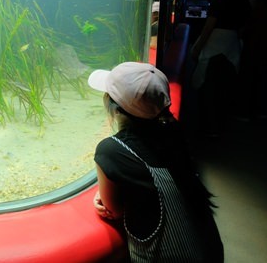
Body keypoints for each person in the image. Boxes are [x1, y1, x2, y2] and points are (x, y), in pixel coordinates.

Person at [89, 62, 223, 262]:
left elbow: (113, 210)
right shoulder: (173, 132)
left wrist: (103, 193)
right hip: (211, 253)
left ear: (115, 107)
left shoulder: (111, 151)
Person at [190, 0, 251, 133]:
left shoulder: (220, 1)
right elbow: (243, 28)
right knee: (224, 86)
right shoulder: (244, 1)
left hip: (215, 43)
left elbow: (208, 27)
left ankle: (208, 126)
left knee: (208, 85)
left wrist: (197, 47)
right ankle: (219, 125)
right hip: (232, 45)